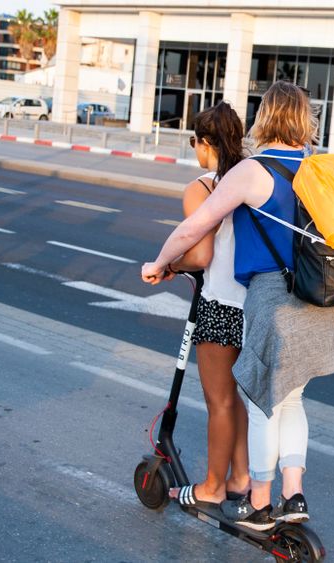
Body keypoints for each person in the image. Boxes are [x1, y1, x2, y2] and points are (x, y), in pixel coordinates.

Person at [141, 81, 334, 531]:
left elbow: (196, 226)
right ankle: (293, 493)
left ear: (266, 116)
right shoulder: (317, 169)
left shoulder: (252, 169)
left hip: (272, 297)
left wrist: (160, 261)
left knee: (263, 402)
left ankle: (258, 503)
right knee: (293, 400)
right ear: (305, 120)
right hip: (319, 296)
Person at [149, 102, 251, 510]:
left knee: (219, 400)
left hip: (222, 302)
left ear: (206, 143)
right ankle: (241, 476)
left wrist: (170, 265)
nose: (194, 148)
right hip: (256, 302)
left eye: (194, 141)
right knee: (236, 396)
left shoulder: (203, 186)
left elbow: (202, 254)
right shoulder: (252, 178)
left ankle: (212, 486)